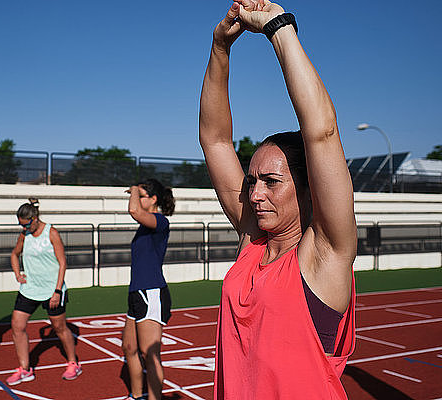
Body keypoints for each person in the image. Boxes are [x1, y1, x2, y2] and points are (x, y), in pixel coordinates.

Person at [199, 1, 356, 399]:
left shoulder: (325, 254)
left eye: (271, 181)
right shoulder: (253, 241)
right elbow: (215, 140)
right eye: (252, 181)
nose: (254, 194)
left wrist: (278, 27)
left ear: (308, 189)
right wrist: (220, 48)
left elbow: (321, 131)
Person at [6, 199, 82, 386]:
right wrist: (17, 274)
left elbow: (62, 262)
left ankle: (73, 363)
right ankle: (25, 369)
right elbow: (14, 254)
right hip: (30, 288)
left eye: (25, 224)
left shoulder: (52, 233)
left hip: (52, 290)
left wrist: (57, 291)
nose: (23, 228)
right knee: (17, 325)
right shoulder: (24, 235)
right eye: (20, 225)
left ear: (34, 219)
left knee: (59, 328)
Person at [122, 179, 175, 400]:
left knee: (150, 353)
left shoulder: (160, 222)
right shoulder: (145, 227)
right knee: (129, 347)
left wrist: (134, 188)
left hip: (151, 292)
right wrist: (137, 192)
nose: (137, 198)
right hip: (137, 292)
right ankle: (136, 396)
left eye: (143, 195)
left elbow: (134, 210)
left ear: (153, 200)